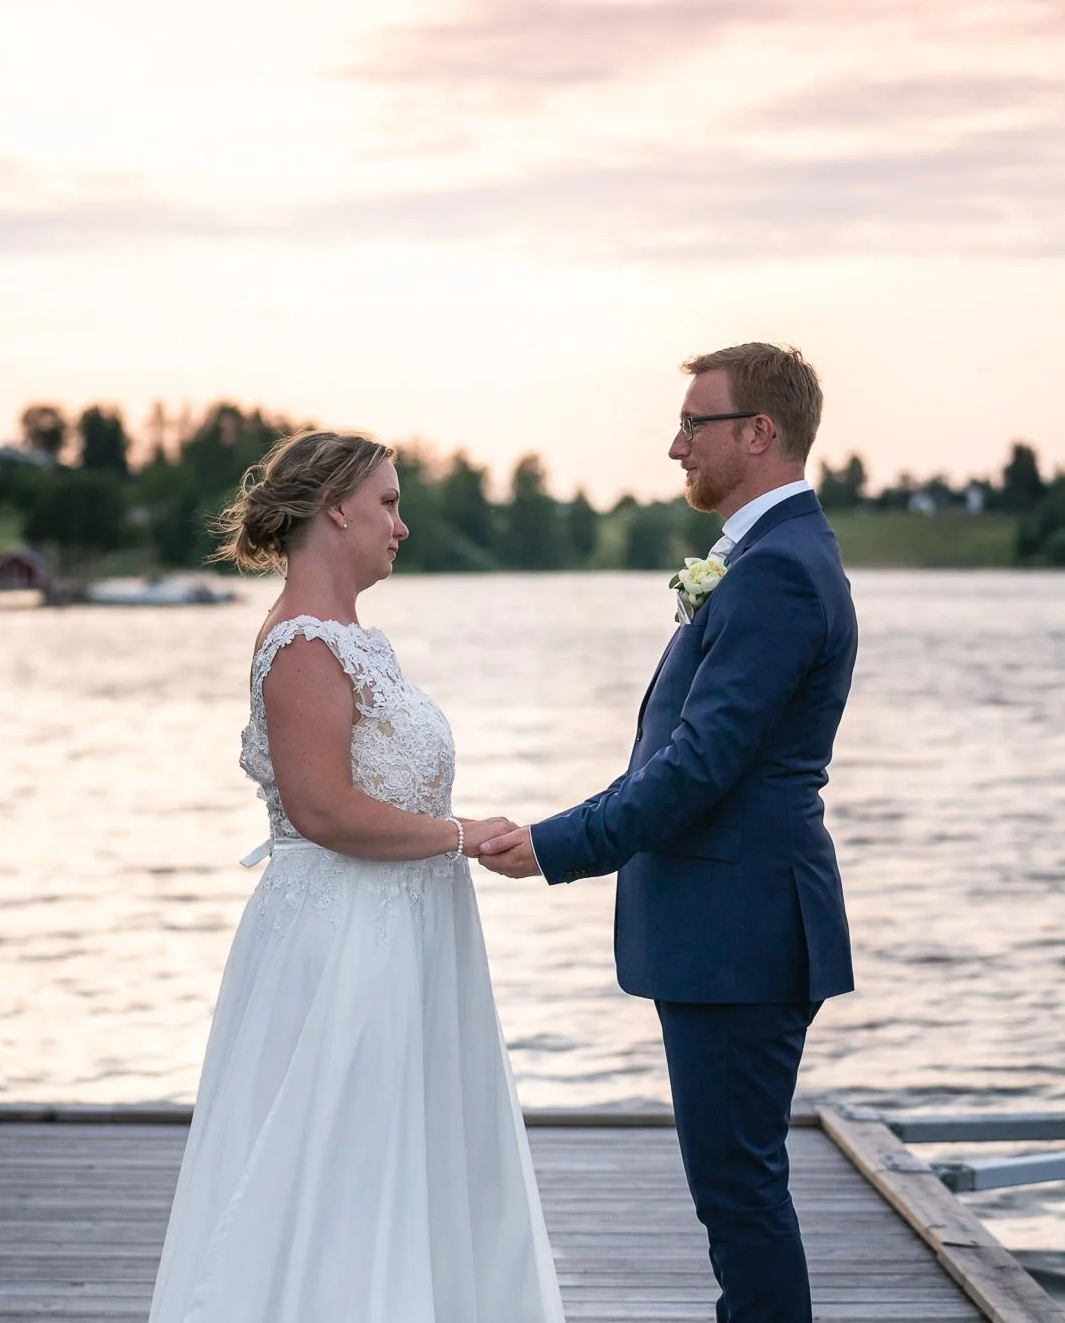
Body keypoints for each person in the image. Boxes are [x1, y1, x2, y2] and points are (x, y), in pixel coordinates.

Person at [148, 431, 565, 1323]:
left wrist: (453, 839)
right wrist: (459, 833)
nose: (401, 526)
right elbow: (323, 811)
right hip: (343, 940)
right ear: (335, 507)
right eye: (387, 503)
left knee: (409, 1156)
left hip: (407, 929)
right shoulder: (302, 645)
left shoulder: (354, 640)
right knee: (344, 1160)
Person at [480, 342, 857, 1323]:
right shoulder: (762, 557)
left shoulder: (777, 572)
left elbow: (696, 769)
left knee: (739, 1194)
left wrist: (555, 843)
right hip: (727, 929)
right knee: (734, 1192)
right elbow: (681, 760)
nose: (675, 444)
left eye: (696, 423)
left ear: (759, 433)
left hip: (741, 931)